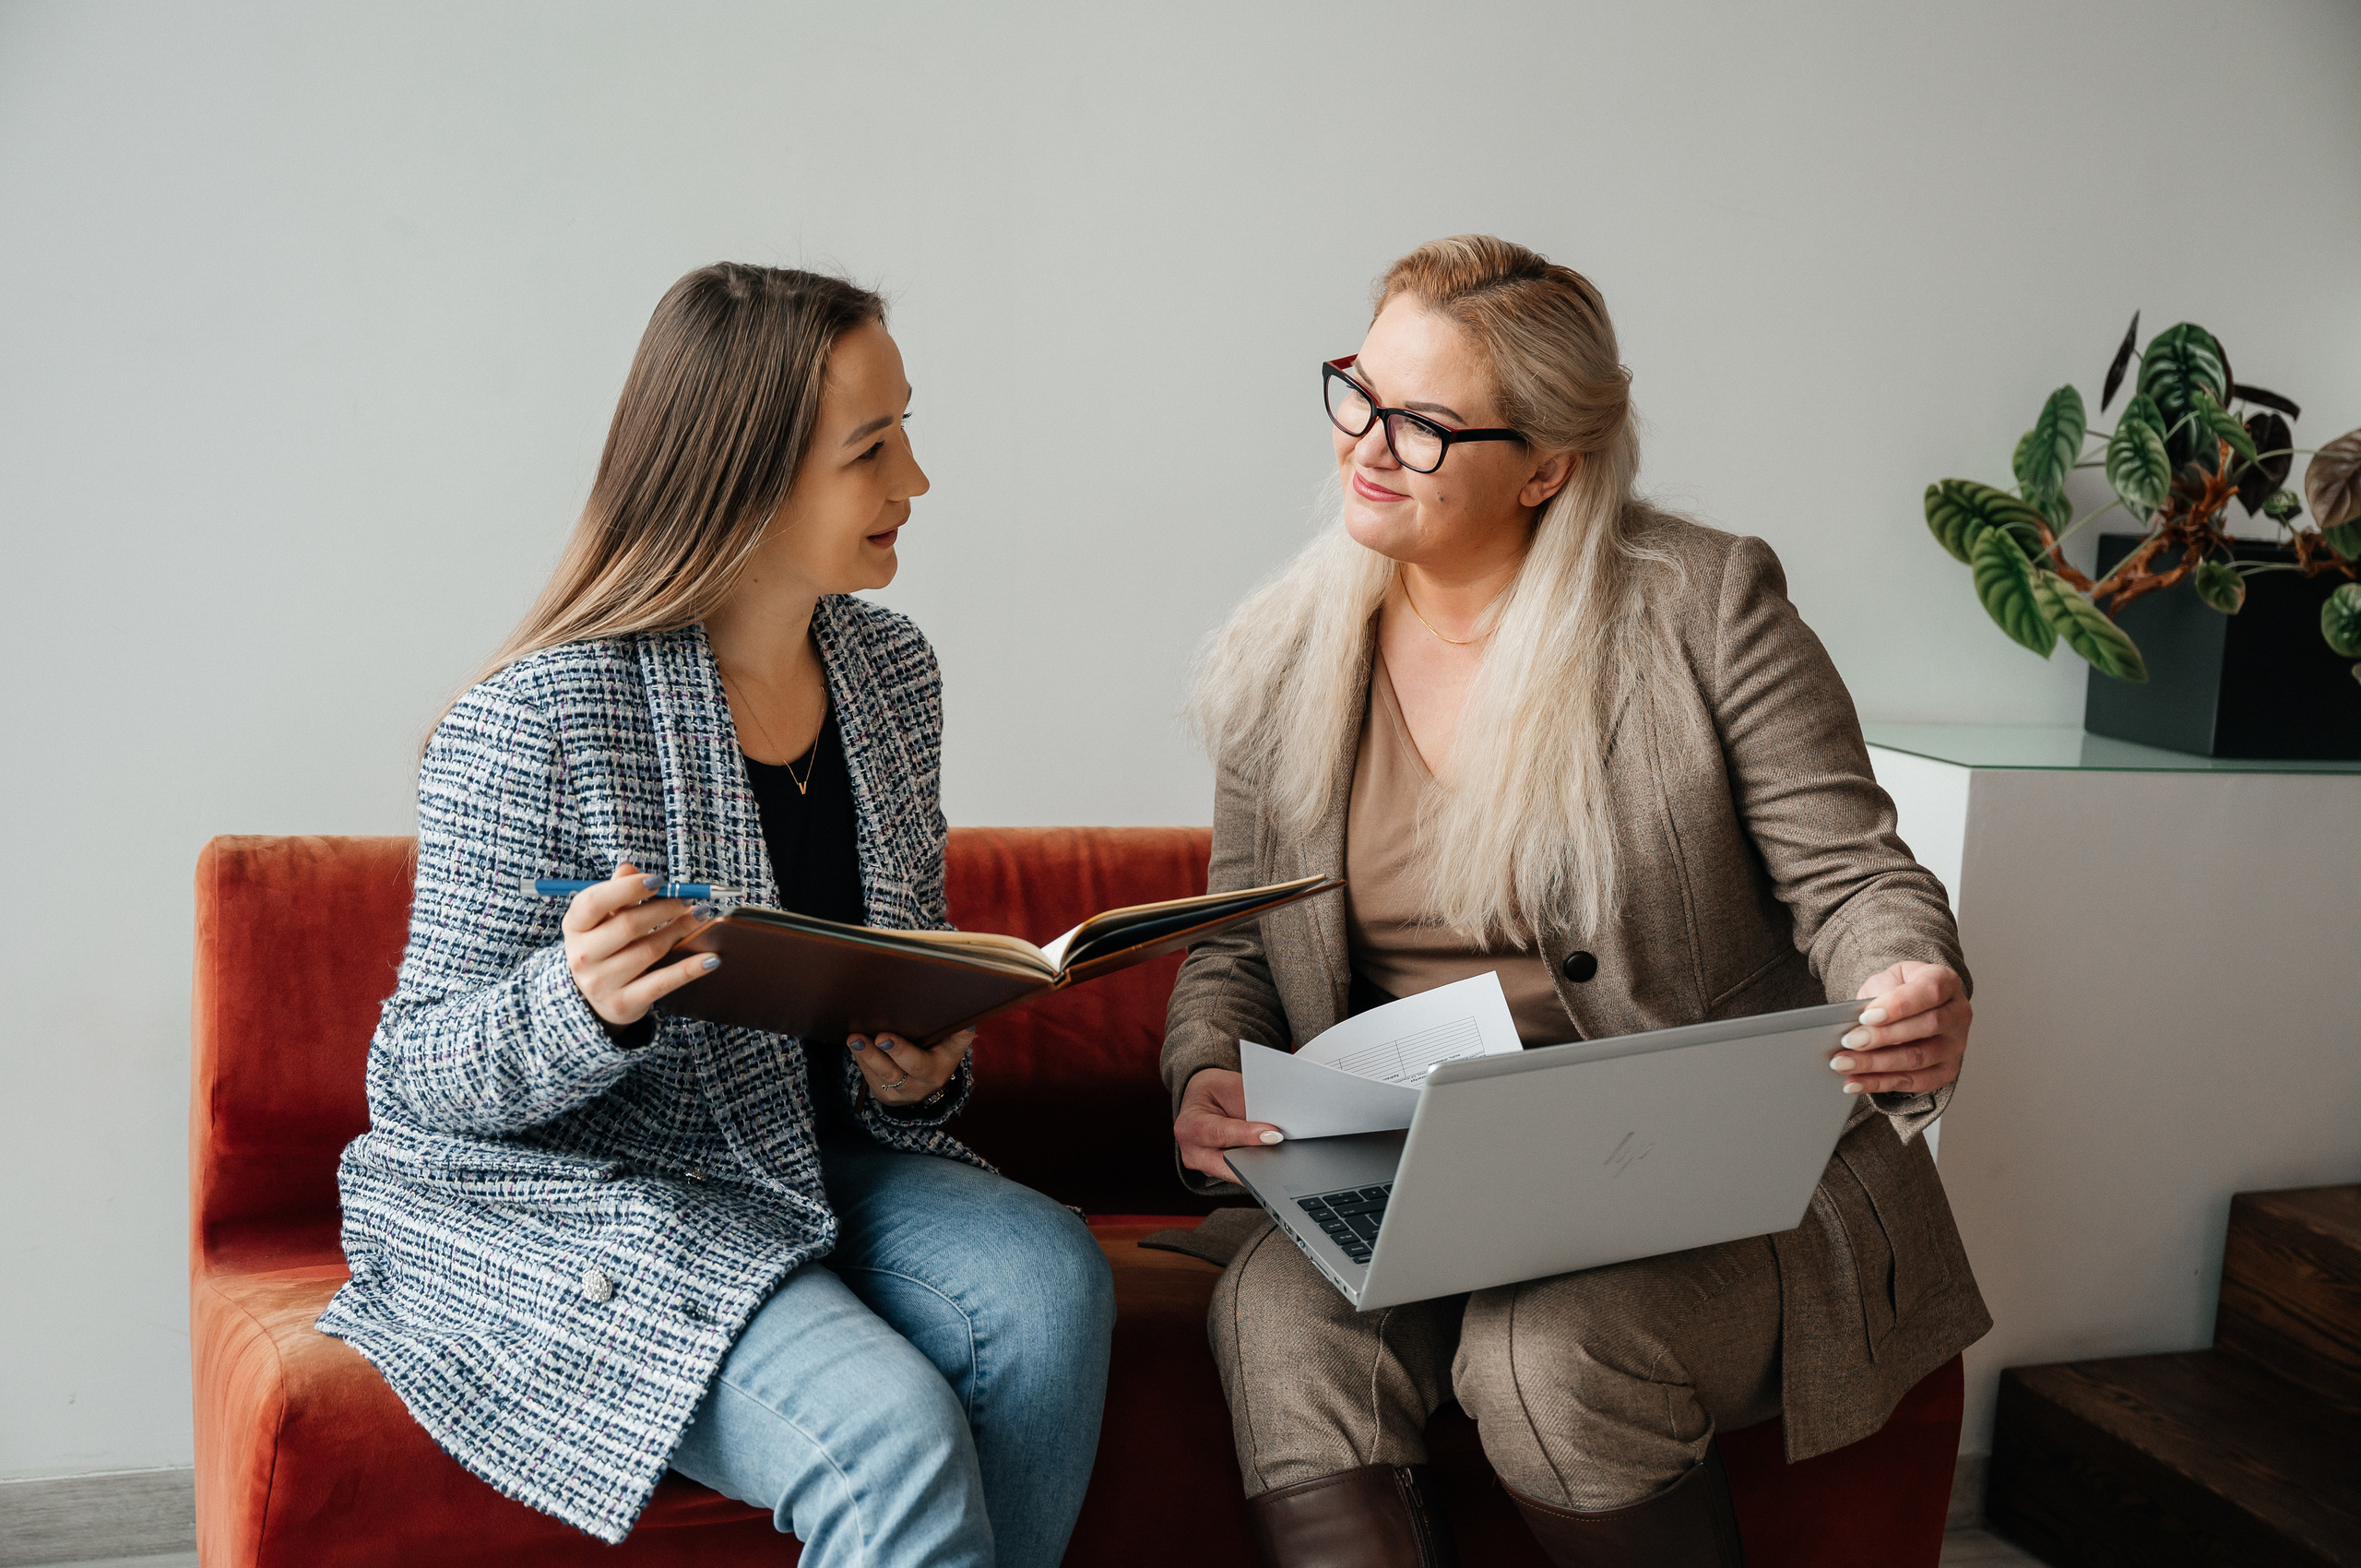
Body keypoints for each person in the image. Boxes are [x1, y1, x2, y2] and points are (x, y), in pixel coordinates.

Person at [1164, 235, 1990, 1568]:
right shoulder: (1282, 661)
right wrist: (1208, 1072)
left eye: (1423, 425)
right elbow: (1234, 955)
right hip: (1419, 1172)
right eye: (1356, 392)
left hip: (1698, 1183)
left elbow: (1856, 878)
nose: (1366, 445)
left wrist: (1907, 980)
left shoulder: (1703, 605)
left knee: (1547, 1356)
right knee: (1277, 1317)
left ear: (1546, 466)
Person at [318, 264, 1115, 1568]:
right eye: (873, 449)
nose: (916, 482)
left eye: (907, 431)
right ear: (744, 477)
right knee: (888, 1440)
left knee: (1048, 1284)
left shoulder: (892, 673)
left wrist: (915, 1075)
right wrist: (573, 1005)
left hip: (800, 1160)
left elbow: (884, 981)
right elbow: (408, 1082)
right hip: (583, 1189)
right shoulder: (535, 719)